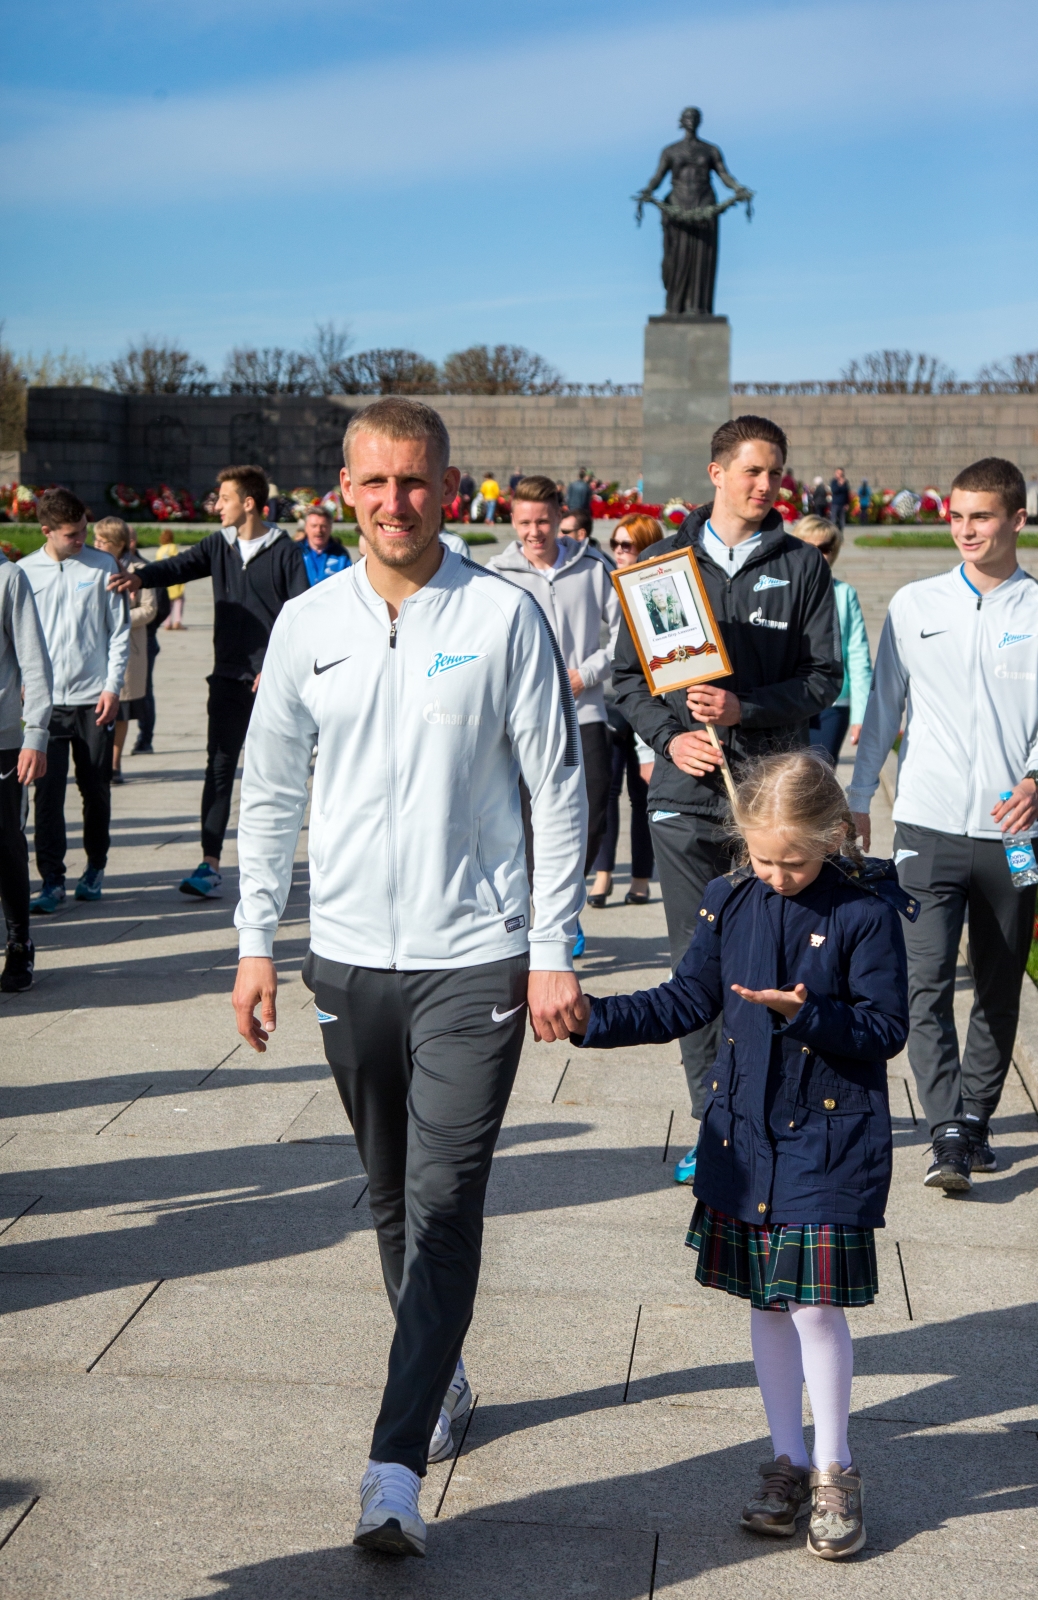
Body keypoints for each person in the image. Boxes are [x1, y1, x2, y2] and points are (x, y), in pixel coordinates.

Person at [230, 396, 586, 1557]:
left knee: (443, 1203)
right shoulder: (308, 620)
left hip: (472, 956)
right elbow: (271, 788)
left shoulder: (501, 614)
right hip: (345, 955)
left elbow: (558, 787)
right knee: (387, 1196)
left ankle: (393, 1466)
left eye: (417, 482)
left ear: (452, 487)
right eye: (375, 483)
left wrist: (550, 947)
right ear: (346, 489)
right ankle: (444, 1370)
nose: (396, 503)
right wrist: (254, 940)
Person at [569, 751, 912, 1560]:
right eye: (763, 859)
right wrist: (590, 1018)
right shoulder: (729, 901)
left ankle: (835, 1469)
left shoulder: (865, 913)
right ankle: (784, 1461)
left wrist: (808, 1014)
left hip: (830, 1137)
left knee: (816, 1307)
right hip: (746, 1138)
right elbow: (686, 999)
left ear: (833, 836)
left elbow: (884, 1029)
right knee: (767, 1301)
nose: (778, 875)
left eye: (794, 861)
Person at [612, 415, 842, 1184]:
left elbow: (823, 680)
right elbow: (626, 682)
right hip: (684, 799)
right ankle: (717, 1123)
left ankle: (771, 1112)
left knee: (771, 967)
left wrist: (747, 709)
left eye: (775, 471)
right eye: (751, 470)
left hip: (769, 804)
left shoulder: (803, 566)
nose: (766, 484)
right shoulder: (658, 567)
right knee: (695, 971)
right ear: (715, 472)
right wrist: (670, 738)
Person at [849, 455, 1038, 1191]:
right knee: (922, 982)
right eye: (956, 515)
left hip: (1016, 837)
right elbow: (883, 712)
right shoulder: (916, 604)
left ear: (1017, 520)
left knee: (997, 985)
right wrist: (861, 795)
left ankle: (977, 1118)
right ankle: (946, 1127)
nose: (965, 529)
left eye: (981, 516)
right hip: (925, 827)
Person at [109, 465, 308, 900]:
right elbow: (179, 566)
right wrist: (140, 576)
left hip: (270, 686)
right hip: (226, 679)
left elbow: (300, 618)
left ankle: (273, 865)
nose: (216, 506)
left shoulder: (284, 552)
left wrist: (275, 670)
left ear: (249, 503)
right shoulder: (220, 545)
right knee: (218, 768)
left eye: (224, 498)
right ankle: (209, 863)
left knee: (272, 777)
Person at [488, 475, 621, 958]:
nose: (533, 531)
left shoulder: (592, 566)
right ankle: (536, 913)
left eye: (542, 520)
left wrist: (587, 674)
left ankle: (565, 904)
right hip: (521, 721)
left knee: (592, 813)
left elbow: (623, 632)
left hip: (583, 712)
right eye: (524, 522)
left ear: (560, 515)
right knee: (524, 821)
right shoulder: (496, 573)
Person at [20, 490, 129, 913]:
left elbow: (118, 632)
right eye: (71, 534)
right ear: (47, 532)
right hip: (45, 704)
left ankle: (95, 867)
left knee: (95, 789)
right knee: (46, 795)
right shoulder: (24, 573)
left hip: (92, 700)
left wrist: (112, 686)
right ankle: (51, 880)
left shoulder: (103, 566)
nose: (81, 538)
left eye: (84, 530)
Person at [588, 514, 663, 908]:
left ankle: (639, 877)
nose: (618, 552)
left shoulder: (658, 591)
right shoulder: (600, 587)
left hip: (647, 708)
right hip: (605, 703)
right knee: (604, 793)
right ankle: (602, 876)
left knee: (642, 797)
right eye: (615, 544)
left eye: (627, 545)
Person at [0, 546, 52, 989]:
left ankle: (19, 942)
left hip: (2, 742)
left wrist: (35, 734)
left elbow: (35, 663)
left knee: (5, 843)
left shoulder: (9, 578)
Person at [792, 516, 871, 763]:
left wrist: (862, 715)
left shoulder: (845, 594)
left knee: (818, 781)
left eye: (825, 548)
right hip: (788, 702)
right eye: (809, 547)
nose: (819, 555)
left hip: (833, 702)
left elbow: (858, 656)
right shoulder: (781, 590)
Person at [92, 518, 158, 785]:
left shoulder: (139, 570)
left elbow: (150, 609)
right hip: (97, 649)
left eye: (102, 541)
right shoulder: (91, 568)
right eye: (94, 540)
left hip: (130, 650)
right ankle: (98, 760)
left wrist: (122, 617)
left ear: (119, 545)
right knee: (98, 708)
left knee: (122, 710)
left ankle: (115, 762)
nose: (95, 545)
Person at [300, 506, 351, 586]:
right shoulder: (296, 552)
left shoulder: (340, 554)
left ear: (330, 528)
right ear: (306, 527)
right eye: (314, 526)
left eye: (323, 526)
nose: (319, 530)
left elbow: (349, 583)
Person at [156, 528, 186, 629]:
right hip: (174, 577)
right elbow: (177, 561)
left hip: (163, 579)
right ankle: (177, 621)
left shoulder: (160, 550)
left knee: (167, 602)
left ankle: (167, 622)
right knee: (178, 600)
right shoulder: (173, 547)